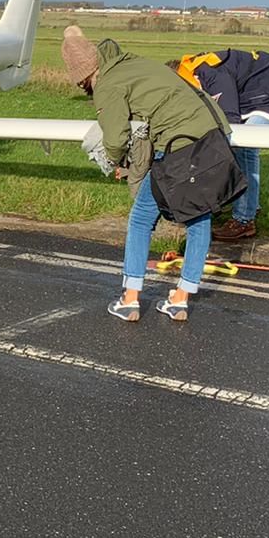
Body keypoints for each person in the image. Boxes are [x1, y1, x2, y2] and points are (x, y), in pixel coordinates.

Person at [63, 25, 229, 322]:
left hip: (179, 145)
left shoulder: (108, 85)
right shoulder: (132, 63)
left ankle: (130, 300)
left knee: (140, 219)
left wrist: (117, 163)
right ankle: (181, 298)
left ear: (83, 78)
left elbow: (115, 137)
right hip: (212, 136)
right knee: (199, 217)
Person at [169, 49, 269, 242]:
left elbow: (230, 124)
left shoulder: (210, 75)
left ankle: (244, 220)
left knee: (243, 147)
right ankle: (247, 206)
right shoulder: (193, 71)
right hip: (256, 90)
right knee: (236, 149)